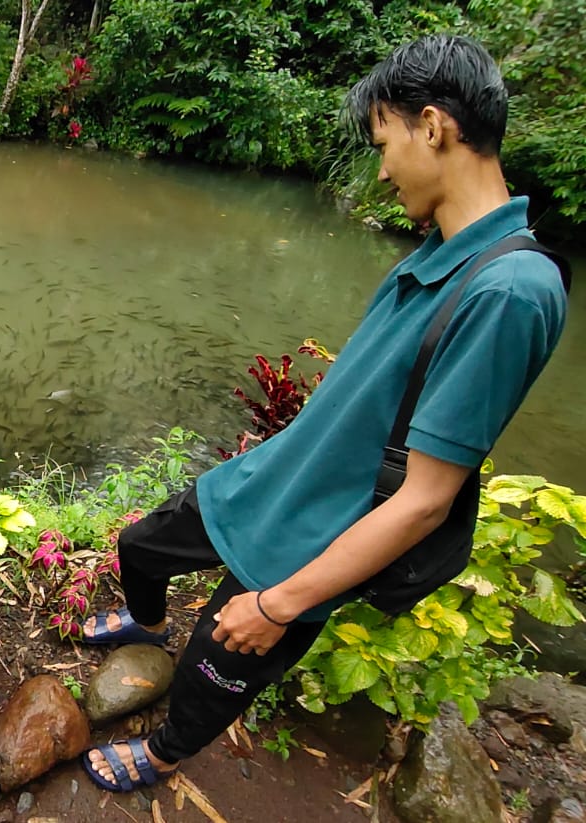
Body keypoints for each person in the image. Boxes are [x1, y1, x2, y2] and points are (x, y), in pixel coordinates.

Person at [79, 33, 570, 792]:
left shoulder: (510, 293)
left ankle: (165, 752)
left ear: (433, 127)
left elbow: (425, 502)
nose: (380, 168)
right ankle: (149, 622)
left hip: (310, 538)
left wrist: (280, 603)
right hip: (269, 480)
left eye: (384, 142)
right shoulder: (444, 251)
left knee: (217, 666)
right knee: (141, 546)